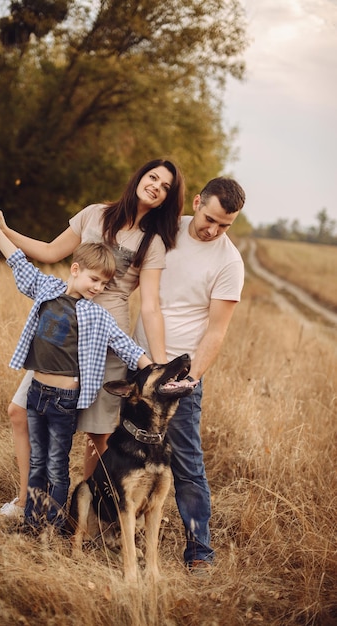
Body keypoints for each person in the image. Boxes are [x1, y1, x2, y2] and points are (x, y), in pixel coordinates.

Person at [0, 158, 184, 517]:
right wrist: (3, 228)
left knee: (97, 434)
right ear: (139, 176)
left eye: (166, 186)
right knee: (20, 412)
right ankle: (27, 500)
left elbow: (149, 306)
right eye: (153, 177)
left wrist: (160, 363)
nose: (156, 186)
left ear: (167, 198)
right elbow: (46, 251)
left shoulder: (152, 242)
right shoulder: (93, 214)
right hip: (64, 328)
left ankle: (85, 515)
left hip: (106, 337)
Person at [0, 209, 152, 532]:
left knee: (57, 466)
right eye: (94, 279)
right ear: (75, 269)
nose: (98, 287)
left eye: (104, 283)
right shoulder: (47, 290)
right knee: (38, 464)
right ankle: (32, 522)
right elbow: (18, 262)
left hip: (63, 401)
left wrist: (152, 370)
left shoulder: (97, 316)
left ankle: (56, 527)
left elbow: (126, 347)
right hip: (36, 394)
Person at [133, 176, 246, 572]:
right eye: (210, 218)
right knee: (119, 446)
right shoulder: (166, 229)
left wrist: (189, 379)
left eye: (225, 225)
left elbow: (217, 331)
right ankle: (109, 527)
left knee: (186, 460)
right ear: (197, 202)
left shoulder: (229, 262)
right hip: (138, 363)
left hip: (181, 375)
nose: (214, 230)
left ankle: (199, 552)